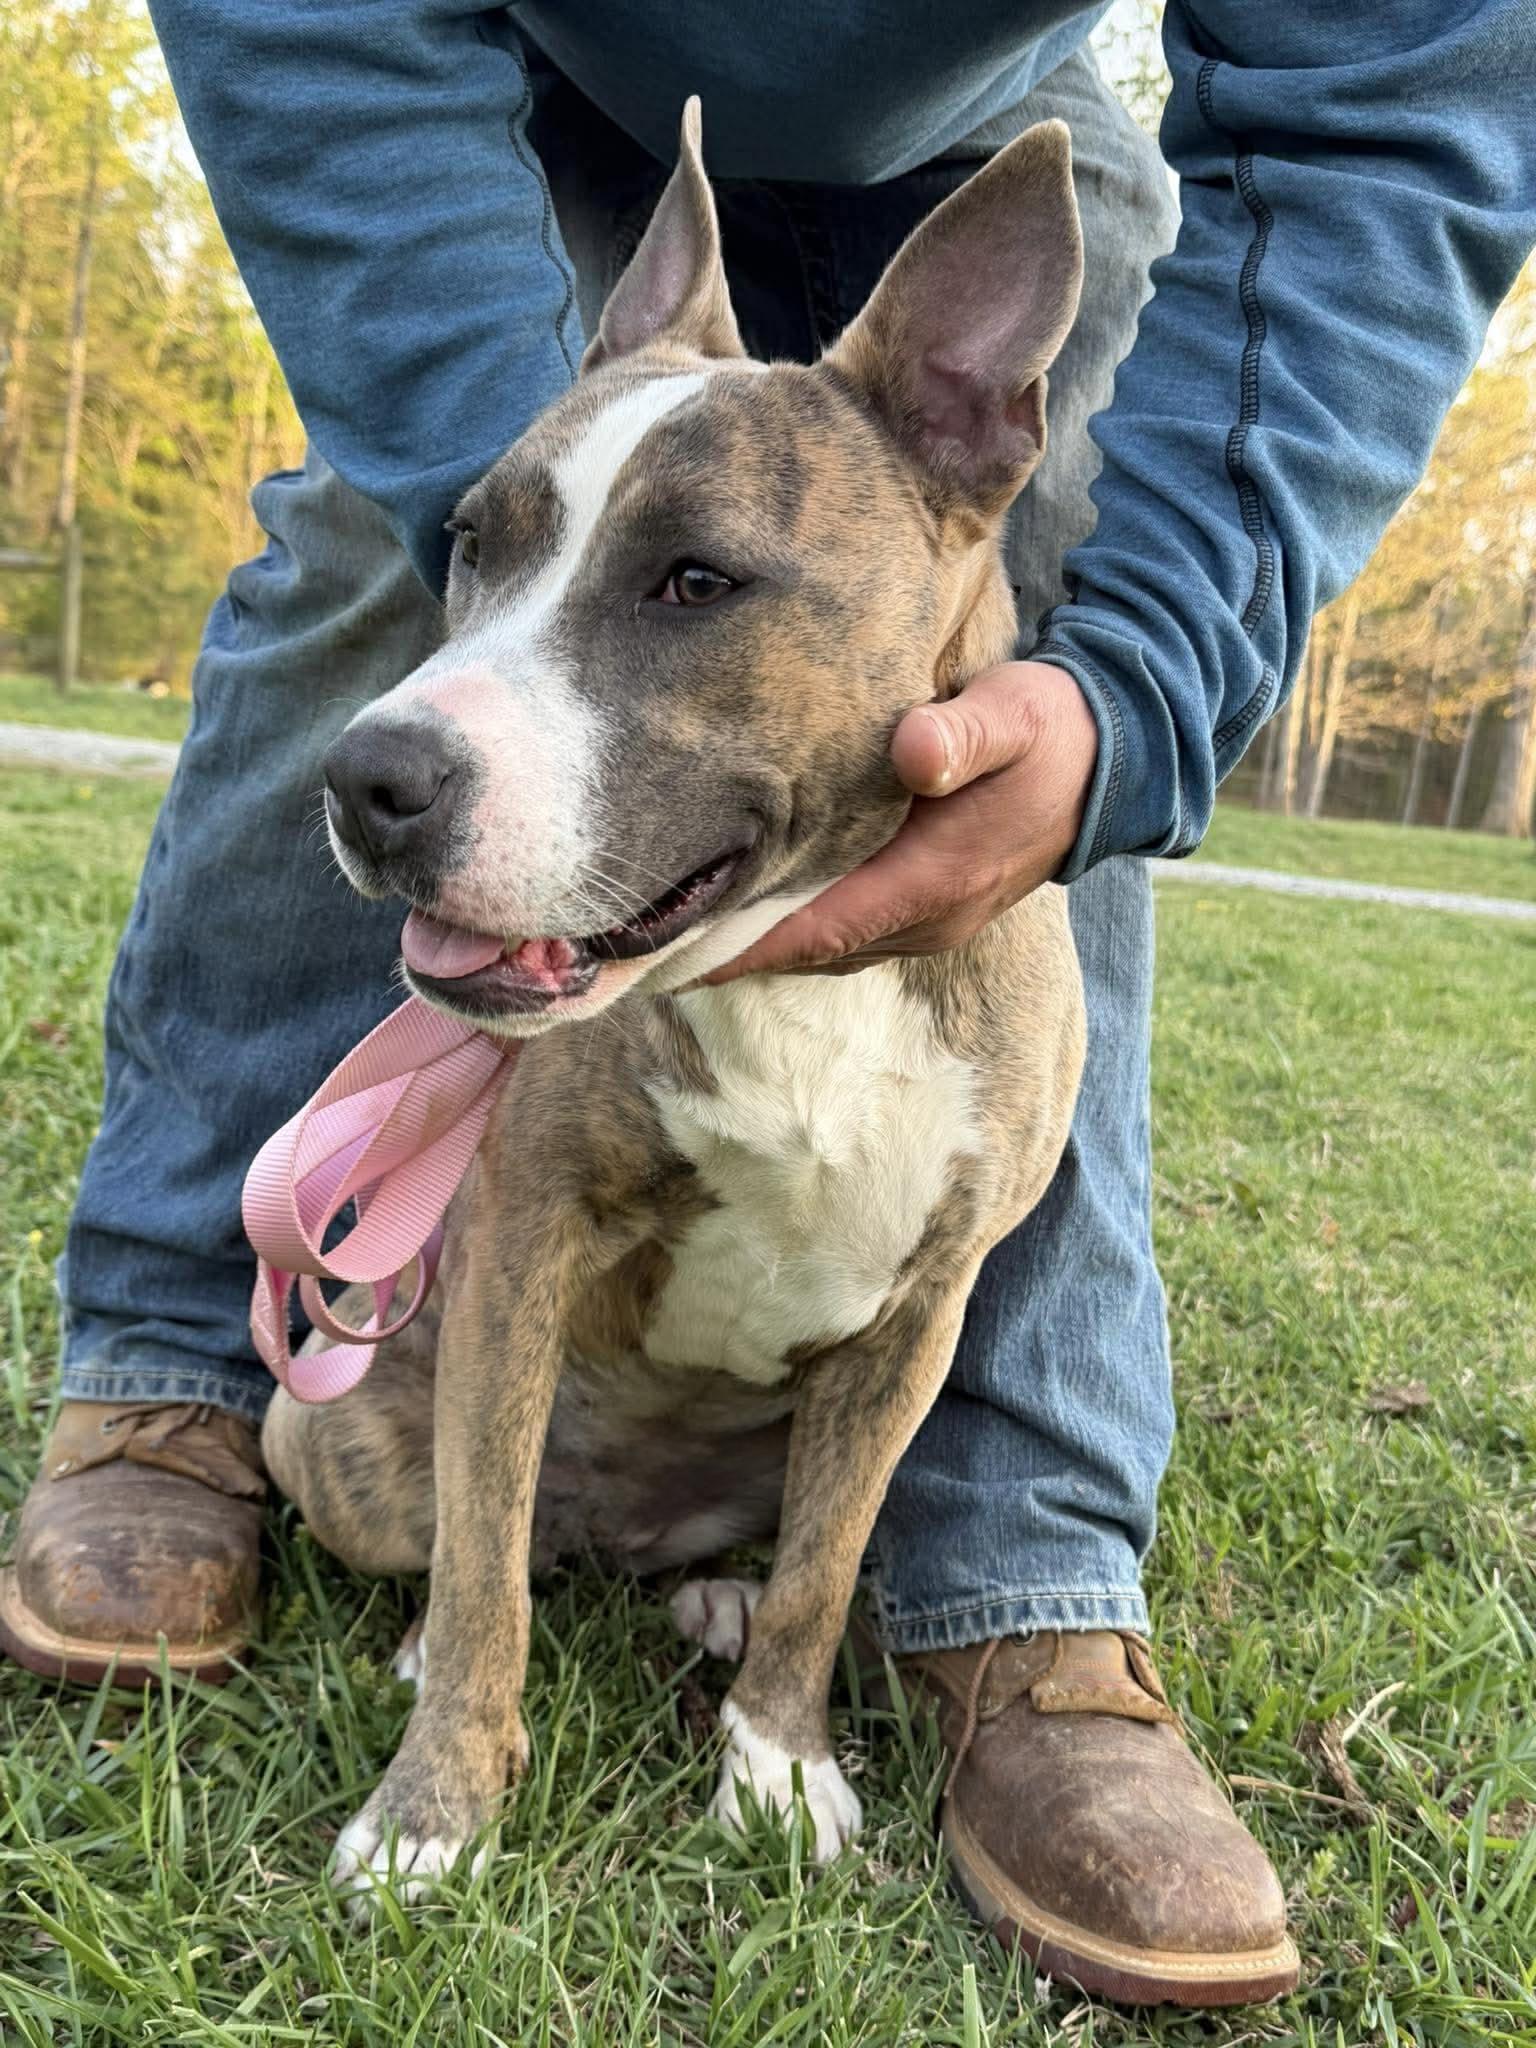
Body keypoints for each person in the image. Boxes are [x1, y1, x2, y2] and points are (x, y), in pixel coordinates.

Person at [2, 0, 1530, 2010]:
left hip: (998, 111)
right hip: (499, 55)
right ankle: (172, 1366)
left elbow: (1398, 101)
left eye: (693, 594)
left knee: (1077, 593)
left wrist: (1139, 693)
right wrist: (511, 516)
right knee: (369, 547)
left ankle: (1017, 1572)